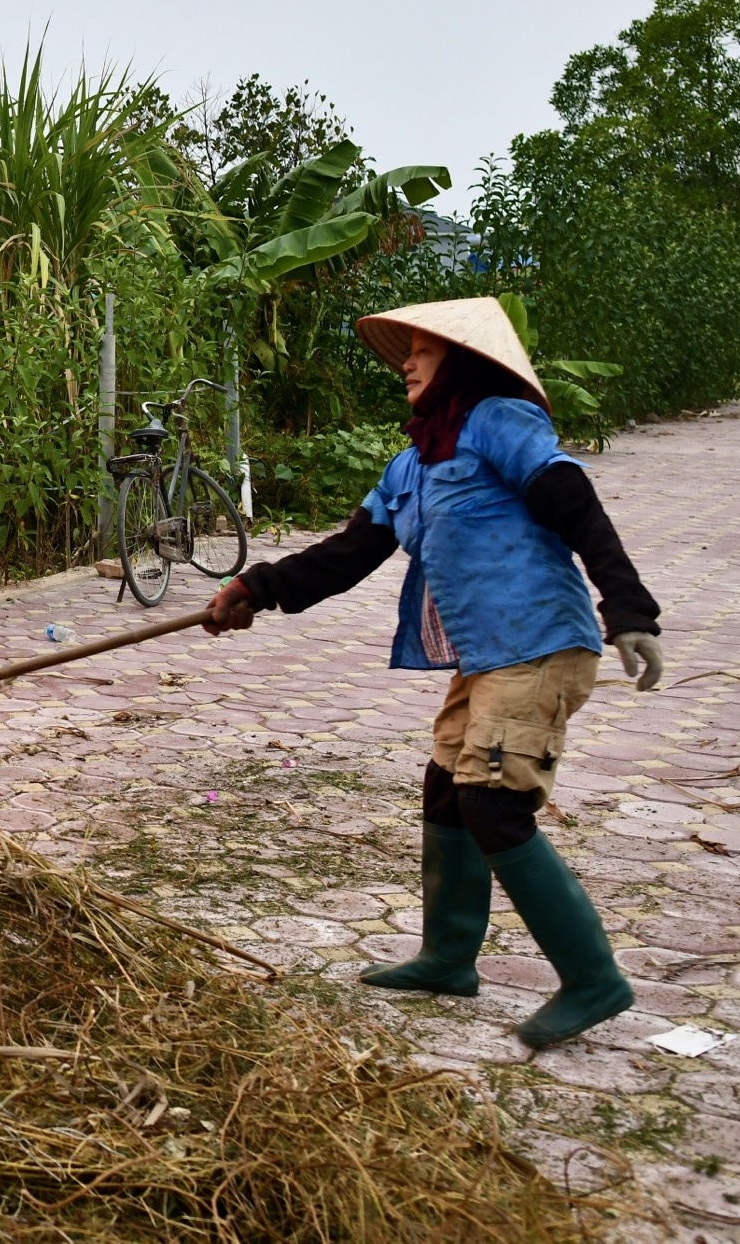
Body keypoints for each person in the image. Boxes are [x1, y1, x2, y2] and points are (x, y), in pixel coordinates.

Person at [204, 297, 665, 1049]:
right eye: (407, 352)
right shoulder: (415, 462)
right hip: (487, 656)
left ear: (464, 360)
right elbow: (347, 555)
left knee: (495, 804)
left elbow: (573, 500)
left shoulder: (498, 423)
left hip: (541, 643)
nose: (406, 364)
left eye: (422, 351)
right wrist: (254, 589)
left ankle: (593, 978)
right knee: (449, 788)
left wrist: (629, 606)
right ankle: (449, 958)